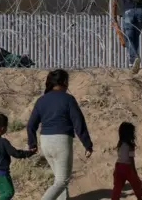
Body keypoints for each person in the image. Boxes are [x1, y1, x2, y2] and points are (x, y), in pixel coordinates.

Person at [26, 69, 93, 200]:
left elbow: (30, 125)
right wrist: (87, 144)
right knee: (62, 181)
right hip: (61, 142)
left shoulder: (41, 100)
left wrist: (32, 143)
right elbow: (79, 123)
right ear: (63, 82)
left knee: (59, 179)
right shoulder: (68, 99)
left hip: (45, 142)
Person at [0, 113, 37, 200]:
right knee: (9, 192)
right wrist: (29, 153)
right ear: (3, 128)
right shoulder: (3, 142)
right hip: (2, 173)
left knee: (2, 193)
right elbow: (16, 153)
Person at [111, 122, 142, 200]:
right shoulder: (131, 146)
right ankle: (139, 197)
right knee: (136, 184)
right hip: (128, 168)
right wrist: (135, 172)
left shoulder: (119, 144)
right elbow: (131, 159)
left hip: (118, 167)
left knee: (117, 187)